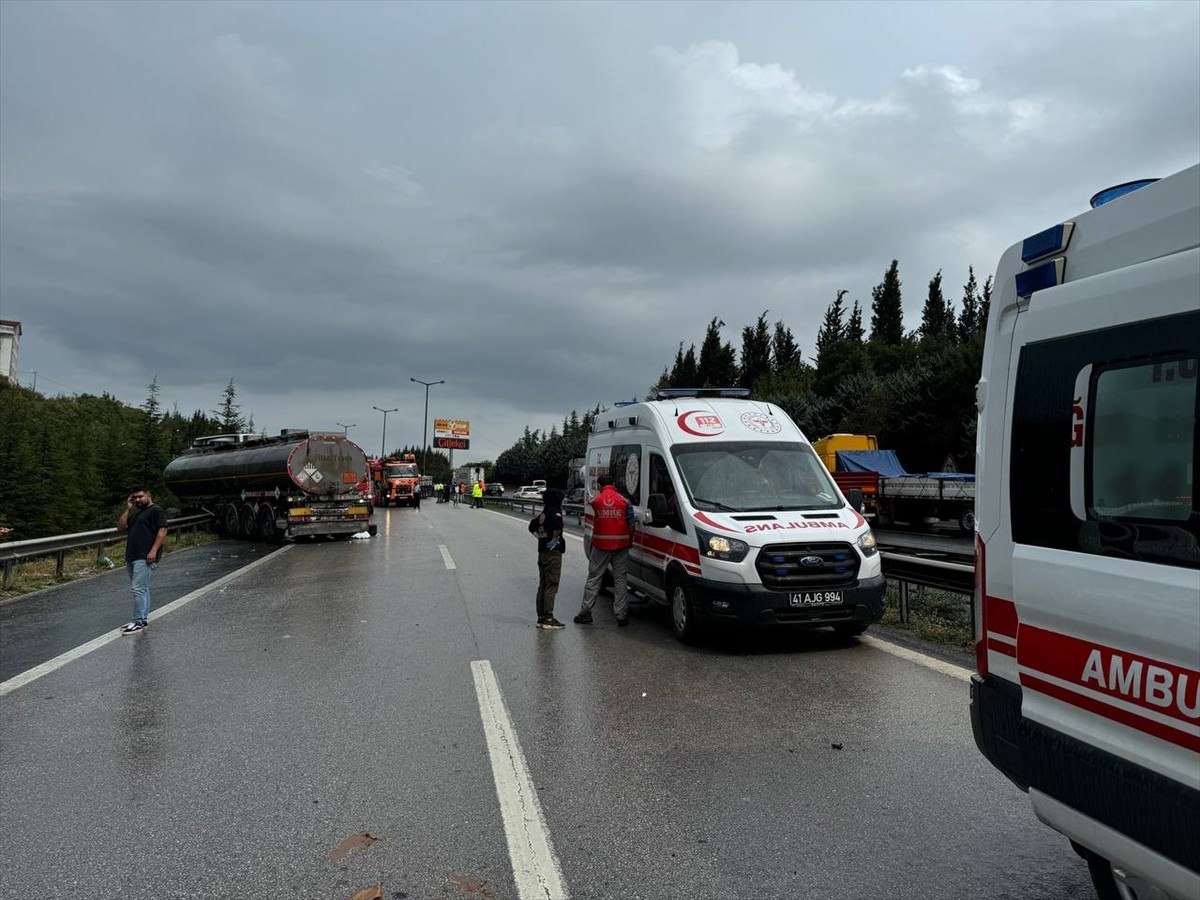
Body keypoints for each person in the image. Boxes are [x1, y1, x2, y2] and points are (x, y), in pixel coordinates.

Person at [575, 474, 636, 627]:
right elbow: (631, 523)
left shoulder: (596, 501)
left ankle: (586, 612)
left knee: (594, 577)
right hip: (621, 546)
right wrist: (630, 540)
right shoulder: (624, 501)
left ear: (600, 485)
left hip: (600, 546)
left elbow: (594, 510)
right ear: (614, 483)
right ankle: (621, 616)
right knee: (620, 580)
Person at [116, 486, 168, 635]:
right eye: (135, 497)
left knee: (138, 588)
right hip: (132, 556)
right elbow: (120, 528)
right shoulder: (136, 514)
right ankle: (142, 619)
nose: (138, 499)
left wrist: (153, 551)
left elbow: (162, 531)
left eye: (140, 496)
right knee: (142, 588)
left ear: (148, 496)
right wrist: (128, 509)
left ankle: (138, 621)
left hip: (145, 556)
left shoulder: (156, 511)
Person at [529, 488, 566, 629]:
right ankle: (549, 619)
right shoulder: (555, 513)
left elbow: (532, 526)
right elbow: (557, 526)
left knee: (543, 584)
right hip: (552, 552)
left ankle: (541, 617)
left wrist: (541, 538)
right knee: (552, 584)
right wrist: (555, 538)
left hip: (542, 551)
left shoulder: (543, 513)